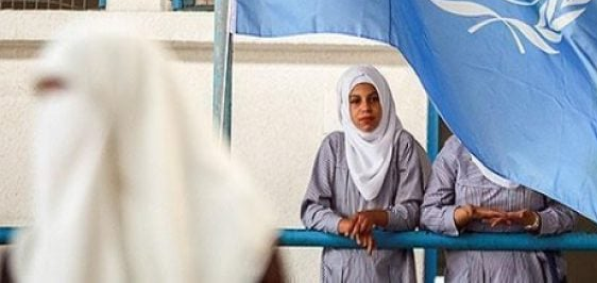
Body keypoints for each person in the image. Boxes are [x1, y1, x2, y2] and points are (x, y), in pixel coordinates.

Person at [2, 22, 283, 283]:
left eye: (71, 96)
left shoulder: (242, 251)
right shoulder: (25, 265)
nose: (58, 121)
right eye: (47, 100)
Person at [301, 65, 427, 282]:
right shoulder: (334, 147)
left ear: (385, 102)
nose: (365, 108)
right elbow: (311, 210)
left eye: (373, 99)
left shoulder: (402, 145)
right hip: (342, 269)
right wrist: (345, 225)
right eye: (355, 101)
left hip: (391, 270)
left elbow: (412, 212)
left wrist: (374, 217)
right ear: (344, 106)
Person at [421, 135, 577, 283]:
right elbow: (429, 213)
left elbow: (567, 212)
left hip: (529, 272)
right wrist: (466, 214)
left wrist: (535, 220)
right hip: (469, 273)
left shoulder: (539, 150)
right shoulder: (457, 148)